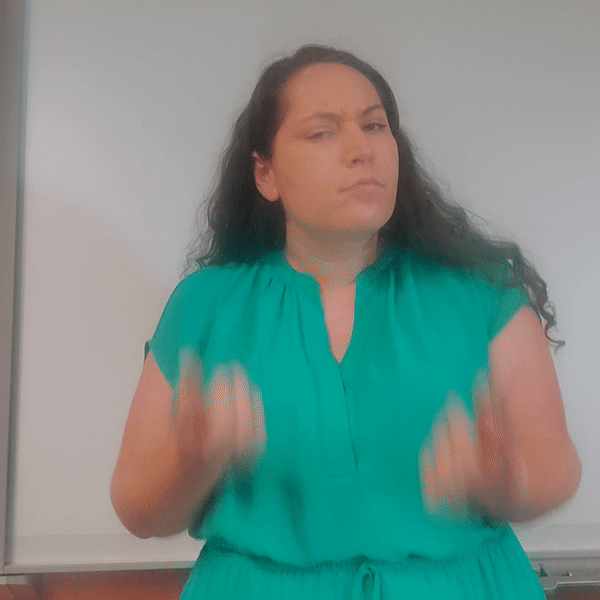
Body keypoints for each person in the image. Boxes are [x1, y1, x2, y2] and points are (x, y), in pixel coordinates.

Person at [110, 44, 581, 599]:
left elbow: (555, 465)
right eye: (322, 132)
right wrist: (192, 465)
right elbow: (137, 509)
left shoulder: (484, 294)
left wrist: (506, 481)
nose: (363, 150)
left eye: (376, 126)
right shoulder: (203, 305)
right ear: (266, 174)